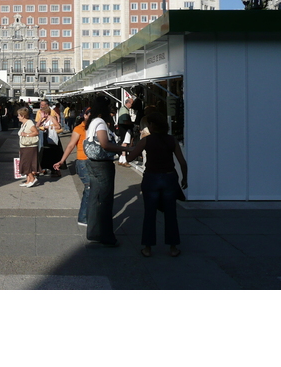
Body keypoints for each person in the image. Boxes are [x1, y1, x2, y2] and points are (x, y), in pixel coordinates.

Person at [124, 110, 188, 258]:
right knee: (171, 213)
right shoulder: (171, 140)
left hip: (151, 178)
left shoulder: (146, 140)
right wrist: (185, 179)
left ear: (152, 125)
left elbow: (130, 158)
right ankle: (173, 248)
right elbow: (182, 162)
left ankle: (147, 248)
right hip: (169, 178)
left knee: (149, 213)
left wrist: (126, 150)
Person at [84, 97, 126, 247]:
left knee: (95, 199)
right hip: (102, 165)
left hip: (93, 163)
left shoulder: (92, 122)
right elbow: (105, 144)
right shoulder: (100, 123)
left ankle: (94, 232)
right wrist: (125, 149)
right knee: (105, 201)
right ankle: (106, 235)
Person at [53, 107, 92, 226]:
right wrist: (61, 161)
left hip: (93, 162)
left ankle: (88, 216)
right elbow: (70, 146)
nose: (91, 117)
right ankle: (83, 217)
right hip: (83, 161)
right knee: (89, 189)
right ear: (84, 115)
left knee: (92, 189)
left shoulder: (95, 127)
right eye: (89, 114)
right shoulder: (78, 128)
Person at [37, 100, 63, 177]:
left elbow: (58, 126)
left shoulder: (51, 118)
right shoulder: (43, 119)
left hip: (52, 138)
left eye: (42, 113)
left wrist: (49, 127)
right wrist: (41, 118)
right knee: (46, 154)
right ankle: (48, 169)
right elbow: (37, 126)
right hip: (46, 138)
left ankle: (57, 171)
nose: (41, 114)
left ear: (46, 113)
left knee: (54, 155)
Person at [17, 107, 39, 187]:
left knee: (25, 164)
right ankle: (28, 180)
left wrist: (26, 134)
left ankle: (32, 178)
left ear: (23, 116)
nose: (17, 117)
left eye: (19, 115)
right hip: (24, 146)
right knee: (26, 163)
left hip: (29, 146)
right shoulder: (24, 124)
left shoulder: (29, 123)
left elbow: (36, 132)